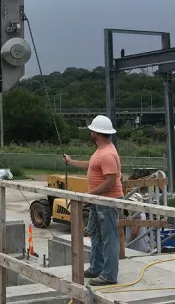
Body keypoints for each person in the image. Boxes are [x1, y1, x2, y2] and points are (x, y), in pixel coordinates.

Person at [63, 115, 123, 286]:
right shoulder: (101, 152)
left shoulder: (107, 154)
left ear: (96, 133)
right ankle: (97, 267)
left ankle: (109, 275)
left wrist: (89, 196)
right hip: (99, 201)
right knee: (95, 232)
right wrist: (71, 161)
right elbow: (91, 165)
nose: (90, 133)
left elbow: (110, 181)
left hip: (107, 201)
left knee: (109, 238)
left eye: (91, 131)